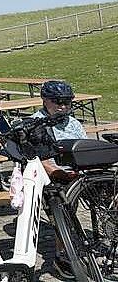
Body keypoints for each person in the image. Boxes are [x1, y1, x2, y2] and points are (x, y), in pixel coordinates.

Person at [31, 80, 86, 279]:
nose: (63, 106)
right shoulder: (36, 124)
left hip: (76, 174)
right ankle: (61, 256)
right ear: (45, 100)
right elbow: (42, 162)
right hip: (50, 178)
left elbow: (85, 148)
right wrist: (64, 174)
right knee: (63, 213)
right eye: (58, 101)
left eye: (67, 102)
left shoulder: (73, 123)